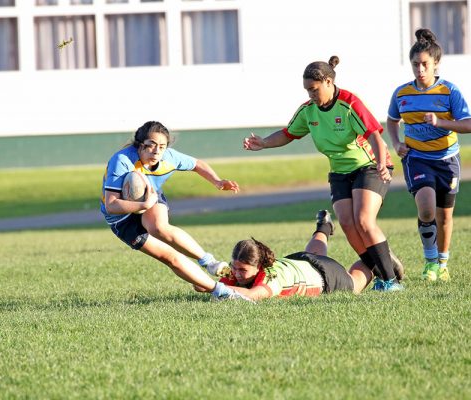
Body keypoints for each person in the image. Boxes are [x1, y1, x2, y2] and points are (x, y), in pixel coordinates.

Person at [243, 56, 403, 291]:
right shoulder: (309, 111)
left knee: (363, 220)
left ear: (328, 82)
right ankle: (383, 266)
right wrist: (264, 143)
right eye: (307, 90)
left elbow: (374, 136)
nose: (310, 95)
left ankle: (390, 281)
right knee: (348, 223)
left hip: (369, 165)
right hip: (339, 171)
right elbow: (288, 133)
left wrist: (381, 163)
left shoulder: (350, 104)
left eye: (314, 89)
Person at [101, 120, 250, 301]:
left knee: (159, 227)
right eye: (150, 146)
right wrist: (144, 205)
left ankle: (209, 262)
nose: (156, 151)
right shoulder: (122, 161)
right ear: (139, 145)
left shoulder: (168, 158)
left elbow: (197, 164)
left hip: (150, 197)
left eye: (162, 147)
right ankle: (222, 292)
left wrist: (218, 182)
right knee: (170, 257)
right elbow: (112, 205)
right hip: (121, 217)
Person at [387, 28, 471, 282]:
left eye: (425, 64)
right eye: (415, 64)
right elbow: (392, 121)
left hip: (447, 159)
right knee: (426, 209)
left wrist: (440, 122)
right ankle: (430, 261)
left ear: (436, 63)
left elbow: (467, 125)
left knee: (445, 215)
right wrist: (396, 143)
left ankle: (442, 263)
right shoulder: (402, 93)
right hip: (417, 158)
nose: (420, 69)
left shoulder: (449, 92)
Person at [213, 210, 375, 301]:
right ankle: (324, 227)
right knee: (313, 254)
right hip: (302, 261)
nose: (236, 273)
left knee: (355, 283)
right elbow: (201, 287)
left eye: (242, 270)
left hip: (325, 277)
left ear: (259, 266)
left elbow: (252, 295)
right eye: (234, 267)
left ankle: (378, 259)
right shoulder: (235, 270)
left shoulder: (270, 277)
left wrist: (213, 287)